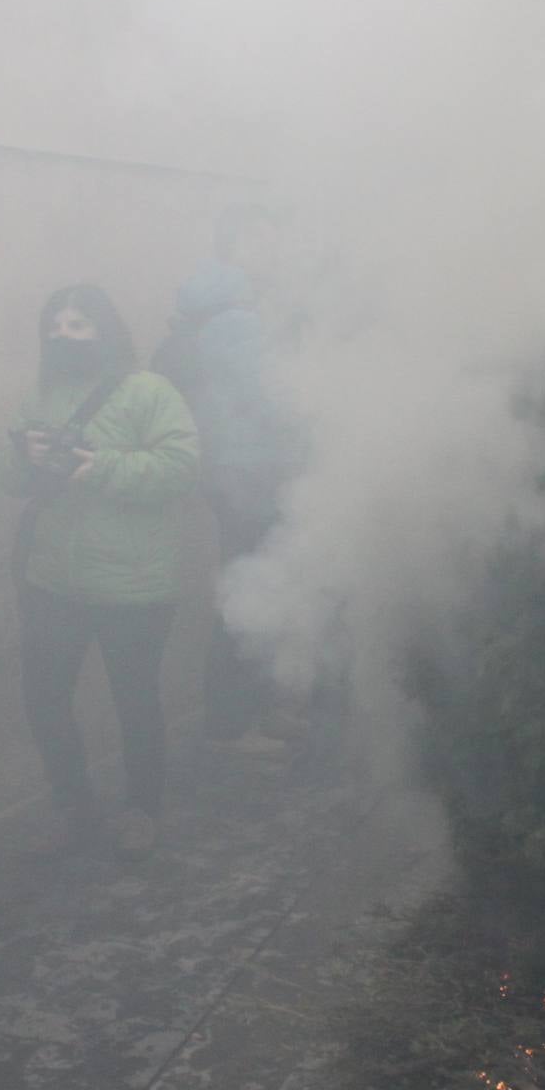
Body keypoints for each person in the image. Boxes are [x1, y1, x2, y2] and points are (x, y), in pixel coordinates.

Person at [0, 284, 200, 856]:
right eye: (54, 325)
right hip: (54, 579)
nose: (64, 334)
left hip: (134, 583)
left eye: (78, 324)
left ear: (106, 331)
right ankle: (75, 806)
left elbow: (181, 467)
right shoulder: (39, 395)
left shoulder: (148, 391)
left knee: (134, 699)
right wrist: (25, 458)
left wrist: (101, 468)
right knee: (44, 697)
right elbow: (7, 479)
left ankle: (142, 809)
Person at [158, 205, 305, 757]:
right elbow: (279, 399)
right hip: (253, 474)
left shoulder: (205, 307)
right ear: (237, 246)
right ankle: (233, 720)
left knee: (257, 586)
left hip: (232, 472)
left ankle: (254, 710)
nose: (277, 247)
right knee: (250, 592)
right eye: (266, 236)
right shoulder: (238, 316)